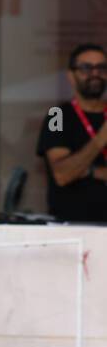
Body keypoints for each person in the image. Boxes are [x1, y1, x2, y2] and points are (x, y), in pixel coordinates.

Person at [36, 42, 107, 223]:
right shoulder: (56, 115)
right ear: (71, 75)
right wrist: (100, 139)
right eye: (86, 68)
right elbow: (62, 174)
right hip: (71, 227)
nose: (95, 74)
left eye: (101, 67)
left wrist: (89, 171)